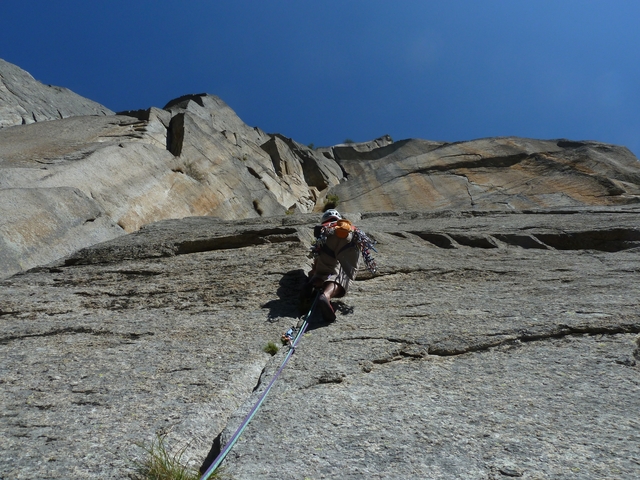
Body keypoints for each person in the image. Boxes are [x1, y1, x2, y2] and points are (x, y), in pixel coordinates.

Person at [304, 209, 377, 322]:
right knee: (345, 273)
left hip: (326, 239)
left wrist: (314, 271)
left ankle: (314, 283)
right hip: (347, 239)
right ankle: (326, 296)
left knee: (322, 272)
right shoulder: (346, 227)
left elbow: (318, 256)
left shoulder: (325, 227)